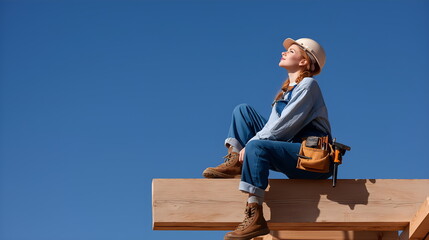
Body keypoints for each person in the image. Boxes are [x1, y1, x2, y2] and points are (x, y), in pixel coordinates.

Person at [202, 38, 333, 240]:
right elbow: (271, 129)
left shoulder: (308, 85)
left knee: (256, 146)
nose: (283, 53)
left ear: (304, 62)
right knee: (243, 111)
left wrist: (252, 144)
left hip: (312, 160)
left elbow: (282, 129)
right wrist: (249, 145)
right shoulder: (286, 91)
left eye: (291, 51)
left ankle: (255, 215)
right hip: (293, 151)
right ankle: (235, 162)